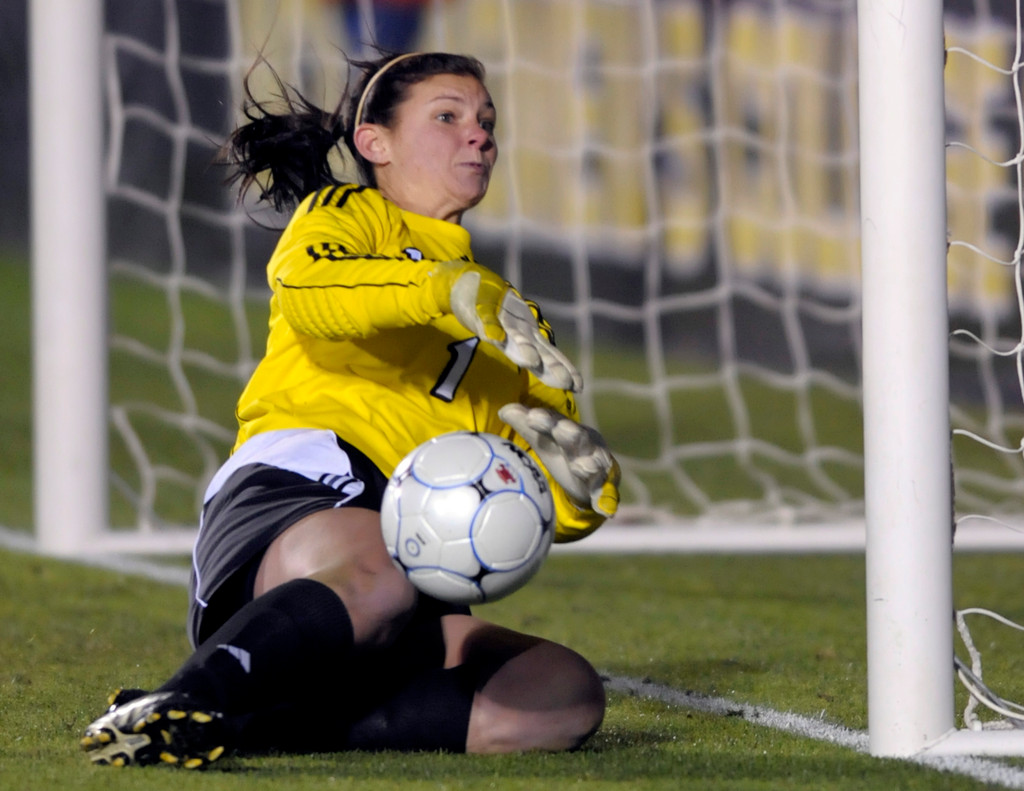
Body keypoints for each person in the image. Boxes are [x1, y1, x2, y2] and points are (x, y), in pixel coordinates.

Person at [80, 51, 620, 769]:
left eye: (487, 121)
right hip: (303, 494)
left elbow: (527, 477)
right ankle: (179, 702)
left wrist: (580, 490)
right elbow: (314, 293)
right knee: (381, 572)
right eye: (448, 117)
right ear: (376, 143)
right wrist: (442, 291)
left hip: (413, 553)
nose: (480, 135)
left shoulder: (508, 314)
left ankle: (250, 721)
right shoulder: (347, 217)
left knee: (562, 693)